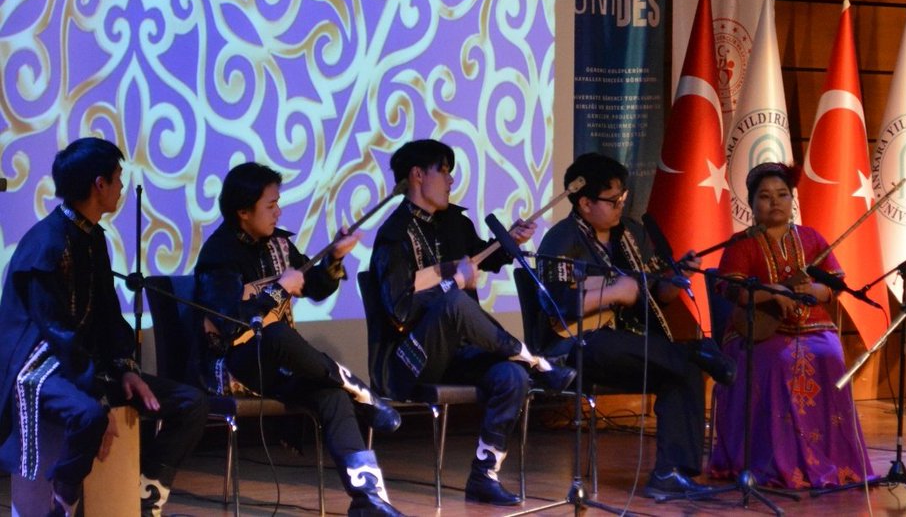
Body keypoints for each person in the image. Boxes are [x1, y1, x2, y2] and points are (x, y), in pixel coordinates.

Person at [0, 138, 208, 517]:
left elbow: (109, 317)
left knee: (188, 402)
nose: (122, 189)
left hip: (81, 362)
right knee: (90, 415)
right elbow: (55, 329)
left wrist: (127, 370)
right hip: (40, 366)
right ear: (99, 184)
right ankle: (62, 500)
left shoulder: (93, 237)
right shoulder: (47, 244)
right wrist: (96, 391)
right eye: (118, 179)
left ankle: (148, 493)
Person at [366, 139, 576, 506]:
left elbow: (482, 259)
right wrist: (452, 281)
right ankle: (535, 359)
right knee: (453, 300)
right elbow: (398, 308)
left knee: (512, 377)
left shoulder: (453, 222)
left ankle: (484, 474)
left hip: (457, 355)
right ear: (417, 175)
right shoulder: (394, 235)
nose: (450, 180)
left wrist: (507, 241)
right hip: (410, 361)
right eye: (443, 171)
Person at [195, 162, 406, 517]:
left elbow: (317, 287)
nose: (278, 211)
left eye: (278, 203)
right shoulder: (219, 255)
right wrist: (278, 291)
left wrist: (336, 256)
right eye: (270, 205)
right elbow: (231, 323)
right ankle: (360, 389)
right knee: (275, 333)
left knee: (332, 397)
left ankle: (368, 498)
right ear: (242, 211)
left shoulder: (279, 244)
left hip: (282, 363)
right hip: (237, 364)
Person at [535, 152, 734, 502]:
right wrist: (614, 291)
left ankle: (671, 474)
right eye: (613, 201)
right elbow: (558, 304)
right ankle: (698, 351)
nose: (620, 207)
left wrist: (675, 279)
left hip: (631, 342)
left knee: (682, 368)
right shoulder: (561, 240)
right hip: (576, 347)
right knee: (682, 359)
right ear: (584, 202)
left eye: (623, 199)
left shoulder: (633, 235)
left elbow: (659, 294)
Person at [709, 162, 873, 489]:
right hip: (759, 329)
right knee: (781, 363)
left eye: (782, 195)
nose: (775, 202)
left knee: (831, 358)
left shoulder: (811, 238)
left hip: (813, 325)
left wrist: (815, 290)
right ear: (752, 203)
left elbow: (836, 286)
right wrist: (774, 292)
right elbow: (731, 289)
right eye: (766, 196)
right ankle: (777, 462)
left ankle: (833, 461)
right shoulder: (741, 243)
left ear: (792, 199)